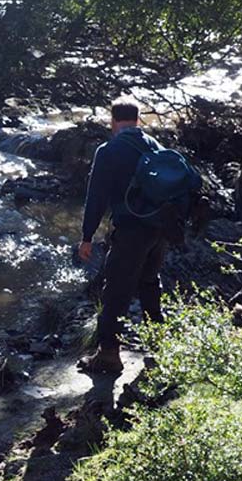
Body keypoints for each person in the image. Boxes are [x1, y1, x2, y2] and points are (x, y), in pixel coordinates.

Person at [77, 97, 168, 375]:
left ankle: (108, 356)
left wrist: (87, 236)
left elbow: (97, 197)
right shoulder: (155, 146)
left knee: (115, 290)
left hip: (130, 231)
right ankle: (159, 347)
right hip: (161, 229)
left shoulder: (109, 150)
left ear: (113, 121)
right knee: (150, 284)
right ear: (138, 120)